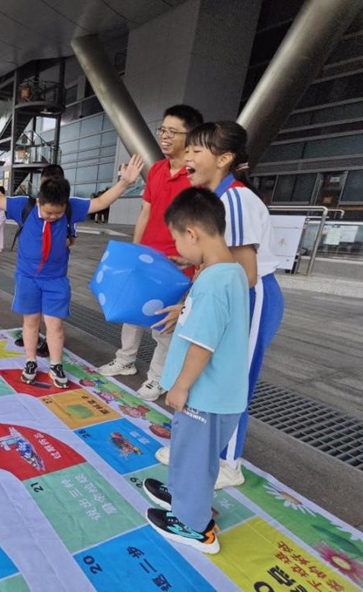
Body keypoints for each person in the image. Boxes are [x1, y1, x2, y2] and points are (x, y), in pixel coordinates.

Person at [154, 121, 284, 490]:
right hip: (227, 294)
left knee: (230, 379)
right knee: (208, 376)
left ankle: (227, 462)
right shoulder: (216, 198)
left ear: (224, 159)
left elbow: (244, 273)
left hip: (250, 298)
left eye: (197, 150)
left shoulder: (236, 200)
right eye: (188, 149)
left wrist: (197, 307)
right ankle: (198, 449)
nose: (188, 156)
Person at [0, 154, 143, 388]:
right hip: (27, 278)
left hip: (55, 281)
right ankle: (30, 361)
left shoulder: (72, 207)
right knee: (30, 323)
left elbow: (100, 203)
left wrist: (124, 183)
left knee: (55, 325)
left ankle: (55, 364)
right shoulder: (25, 205)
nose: (53, 217)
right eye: (48, 213)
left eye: (58, 214)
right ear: (39, 201)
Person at [142, 187, 249, 555]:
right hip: (218, 395)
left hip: (205, 394)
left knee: (194, 454)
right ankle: (186, 494)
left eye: (176, 238)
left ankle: (194, 526)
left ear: (192, 233)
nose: (177, 248)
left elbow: (204, 344)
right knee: (192, 453)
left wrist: (181, 386)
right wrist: (181, 313)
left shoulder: (214, 283)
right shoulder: (228, 271)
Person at [98, 104, 204, 401]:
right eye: (163, 130)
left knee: (164, 325)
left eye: (173, 132)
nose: (165, 136)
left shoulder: (195, 175)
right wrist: (136, 250)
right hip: (146, 257)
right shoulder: (157, 169)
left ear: (191, 136)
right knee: (132, 313)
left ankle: (158, 378)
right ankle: (125, 360)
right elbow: (145, 212)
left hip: (176, 262)